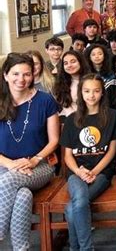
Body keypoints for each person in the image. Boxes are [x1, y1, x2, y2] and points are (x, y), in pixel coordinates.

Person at [0, 53, 59, 251]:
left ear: (33, 75)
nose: (21, 79)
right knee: (23, 195)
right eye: (15, 74)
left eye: (26, 74)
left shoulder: (45, 101)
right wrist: (10, 164)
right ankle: (21, 249)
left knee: (9, 181)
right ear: (6, 75)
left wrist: (34, 160)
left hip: (39, 167)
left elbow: (54, 141)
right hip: (4, 167)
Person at [60, 74, 116, 251]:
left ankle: (77, 248)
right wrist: (79, 172)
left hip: (102, 172)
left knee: (74, 207)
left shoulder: (112, 116)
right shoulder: (72, 119)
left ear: (102, 92)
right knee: (78, 203)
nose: (91, 95)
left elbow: (111, 151)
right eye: (87, 91)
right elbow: (68, 156)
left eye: (96, 91)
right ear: (81, 93)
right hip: (76, 172)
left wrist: (94, 171)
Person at [54, 50, 90, 120]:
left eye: (73, 61)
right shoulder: (61, 83)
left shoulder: (91, 81)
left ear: (80, 62)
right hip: (69, 119)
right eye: (66, 63)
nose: (69, 65)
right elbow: (65, 106)